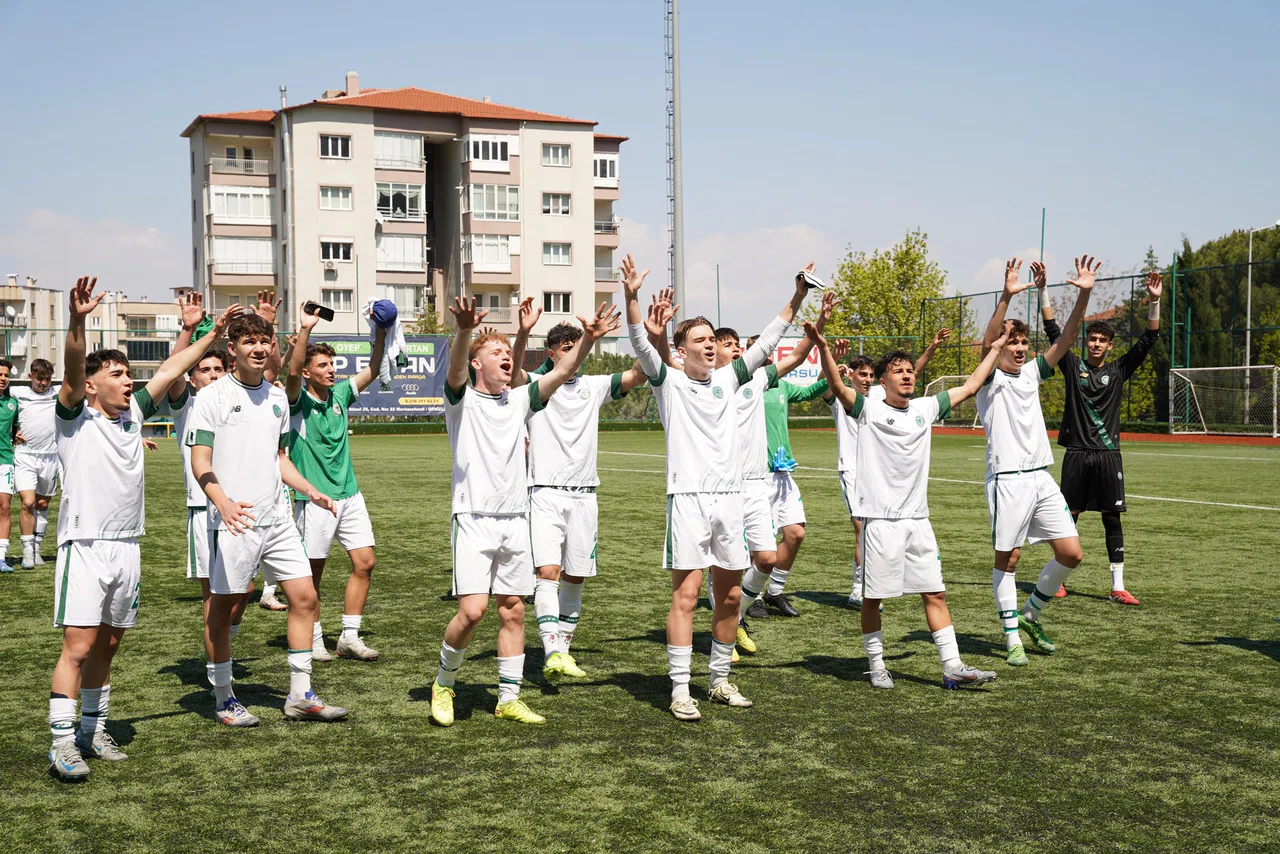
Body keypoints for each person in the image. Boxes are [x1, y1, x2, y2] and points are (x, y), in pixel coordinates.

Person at [46, 275, 225, 782]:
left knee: (109, 646)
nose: (128, 382)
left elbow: (172, 368)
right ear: (93, 382)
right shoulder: (74, 418)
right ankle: (61, 742)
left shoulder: (132, 417)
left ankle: (91, 730)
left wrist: (206, 333)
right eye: (118, 375)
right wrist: (78, 319)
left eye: (129, 375)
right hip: (84, 547)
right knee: (77, 648)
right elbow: (71, 368)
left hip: (128, 547)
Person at [624, 254, 810, 721]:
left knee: (729, 597)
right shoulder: (668, 381)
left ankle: (720, 681)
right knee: (685, 596)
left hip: (731, 501)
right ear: (681, 349)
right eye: (700, 340)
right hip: (688, 500)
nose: (710, 346)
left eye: (712, 340)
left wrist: (799, 296)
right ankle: (680, 689)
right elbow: (644, 346)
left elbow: (768, 341)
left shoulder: (730, 378)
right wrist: (633, 301)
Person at [428, 297, 616, 728]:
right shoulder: (460, 401)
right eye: (495, 353)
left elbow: (564, 371)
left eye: (507, 354)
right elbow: (455, 371)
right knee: (472, 612)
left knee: (513, 609)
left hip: (516, 520)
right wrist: (463, 332)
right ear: (478, 365)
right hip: (473, 519)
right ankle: (444, 682)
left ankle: (508, 698)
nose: (505, 359)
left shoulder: (520, 400)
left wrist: (588, 337)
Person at [810, 320, 1004, 690]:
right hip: (879, 522)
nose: (907, 376)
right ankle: (877, 664)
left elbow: (972, 385)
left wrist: (994, 349)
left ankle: (953, 666)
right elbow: (836, 384)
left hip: (918, 521)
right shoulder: (867, 410)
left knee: (935, 593)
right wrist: (822, 346)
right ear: (882, 382)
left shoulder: (925, 408)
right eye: (898, 371)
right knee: (873, 597)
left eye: (910, 370)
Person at [188, 311, 348, 727]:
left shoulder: (278, 398)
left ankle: (299, 695)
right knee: (224, 609)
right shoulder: (211, 397)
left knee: (305, 598)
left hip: (277, 519)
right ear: (233, 350)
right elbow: (199, 460)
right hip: (234, 520)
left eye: (264, 341)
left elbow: (280, 460)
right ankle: (223, 698)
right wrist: (221, 501)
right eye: (248, 342)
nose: (258, 348)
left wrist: (311, 490)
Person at [509, 298, 649, 680]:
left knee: (575, 575)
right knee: (548, 571)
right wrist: (522, 332)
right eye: (567, 350)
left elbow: (639, 373)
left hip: (586, 495)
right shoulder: (536, 385)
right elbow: (513, 374)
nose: (574, 358)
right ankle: (551, 649)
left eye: (578, 349)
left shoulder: (596, 386)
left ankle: (563, 650)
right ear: (551, 354)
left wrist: (649, 335)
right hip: (545, 493)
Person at [979, 257, 1095, 667]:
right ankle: (1011, 636)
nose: (1020, 348)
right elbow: (989, 339)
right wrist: (1007, 298)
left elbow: (1067, 337)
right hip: (1007, 481)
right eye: (1013, 343)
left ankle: (1030, 613)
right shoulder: (989, 377)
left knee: (1072, 553)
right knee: (1008, 560)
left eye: (1023, 343)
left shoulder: (1030, 373)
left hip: (1040, 479)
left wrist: (1084, 294)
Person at [1039, 268, 1162, 605]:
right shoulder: (1071, 365)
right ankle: (1059, 580)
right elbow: (1053, 332)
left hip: (1108, 455)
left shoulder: (1120, 370)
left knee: (1112, 517)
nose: (1095, 344)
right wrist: (1044, 291)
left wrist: (1154, 302)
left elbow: (1149, 339)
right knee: (1069, 517)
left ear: (1109, 345)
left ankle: (1117, 586)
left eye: (1101, 340)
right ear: (1087, 343)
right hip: (1077, 453)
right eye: (1091, 339)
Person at [161, 293, 257, 670]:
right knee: (214, 594)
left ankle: (219, 644)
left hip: (243, 507)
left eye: (219, 369)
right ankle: (218, 663)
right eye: (205, 370)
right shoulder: (188, 404)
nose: (213, 376)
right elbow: (170, 371)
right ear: (192, 377)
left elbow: (266, 374)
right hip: (204, 509)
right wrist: (188, 329)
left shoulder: (237, 397)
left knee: (245, 589)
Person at [286, 305, 386, 662]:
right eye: (324, 366)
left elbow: (373, 369)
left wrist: (381, 332)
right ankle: (312, 639)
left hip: (350, 494)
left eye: (333, 365)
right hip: (313, 498)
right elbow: (293, 369)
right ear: (310, 371)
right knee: (311, 573)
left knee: (365, 562)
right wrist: (305, 331)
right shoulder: (296, 401)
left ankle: (349, 636)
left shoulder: (340, 395)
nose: (332, 370)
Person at [827, 330, 950, 608]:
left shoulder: (880, 397)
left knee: (871, 530)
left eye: (871, 375)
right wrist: (833, 358)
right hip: (852, 471)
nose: (867, 380)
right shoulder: (844, 400)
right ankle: (860, 587)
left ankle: (872, 585)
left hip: (879, 473)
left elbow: (910, 373)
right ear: (851, 376)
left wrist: (930, 347)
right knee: (861, 529)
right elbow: (830, 383)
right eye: (862, 375)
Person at [739, 302, 838, 620]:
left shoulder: (780, 386)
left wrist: (823, 329)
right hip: (754, 476)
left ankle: (774, 592)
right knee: (757, 544)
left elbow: (814, 390)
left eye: (767, 352)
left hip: (782, 474)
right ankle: (749, 596)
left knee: (795, 533)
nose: (765, 356)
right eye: (758, 350)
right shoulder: (741, 386)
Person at [0, 358, 20, 572]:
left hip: (5, 461)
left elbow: (17, 429)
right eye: (0, 375)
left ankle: (1, 557)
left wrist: (19, 434)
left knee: (5, 507)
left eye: (6, 375)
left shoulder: (12, 404)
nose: (3, 378)